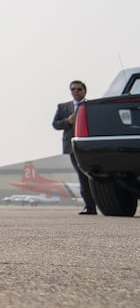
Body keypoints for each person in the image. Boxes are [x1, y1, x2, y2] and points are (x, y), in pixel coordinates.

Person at [53, 80, 98, 215]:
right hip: (72, 147)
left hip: (89, 146)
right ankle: (90, 207)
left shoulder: (91, 106)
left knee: (94, 176)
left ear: (85, 91)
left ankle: (103, 203)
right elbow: (55, 124)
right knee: (81, 176)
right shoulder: (63, 107)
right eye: (73, 89)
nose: (76, 92)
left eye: (79, 89)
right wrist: (68, 121)